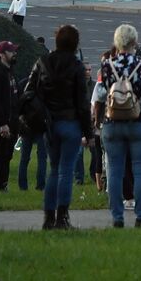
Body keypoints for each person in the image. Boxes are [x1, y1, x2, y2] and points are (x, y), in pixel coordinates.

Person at [91, 24, 141, 228]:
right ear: (135, 43)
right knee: (140, 170)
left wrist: (97, 120)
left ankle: (117, 216)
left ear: (116, 42)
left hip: (112, 123)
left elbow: (100, 96)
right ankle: (140, 215)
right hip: (139, 121)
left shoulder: (107, 66)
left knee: (114, 170)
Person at [31, 24, 92, 230]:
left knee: (54, 169)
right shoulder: (76, 66)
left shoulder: (43, 62)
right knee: (66, 170)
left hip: (49, 121)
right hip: (70, 121)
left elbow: (31, 90)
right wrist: (88, 132)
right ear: (75, 44)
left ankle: (48, 217)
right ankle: (62, 217)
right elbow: (82, 103)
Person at [0, 41, 20, 192]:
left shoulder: (9, 71)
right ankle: (0, 185)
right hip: (4, 122)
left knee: (8, 154)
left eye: (14, 51)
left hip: (13, 119)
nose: (14, 53)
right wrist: (2, 123)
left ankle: (4, 183)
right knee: (2, 154)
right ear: (1, 54)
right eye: (11, 51)